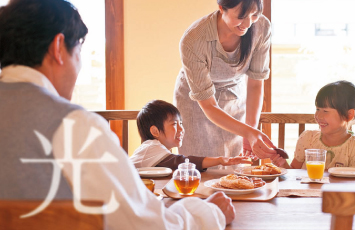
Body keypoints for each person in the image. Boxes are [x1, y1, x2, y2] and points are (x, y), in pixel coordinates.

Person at [0, 0, 234, 229]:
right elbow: (146, 225)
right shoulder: (75, 128)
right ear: (58, 48)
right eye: (79, 52)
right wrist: (211, 212)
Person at [174, 0, 281, 161]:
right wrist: (249, 132)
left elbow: (255, 84)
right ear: (221, 8)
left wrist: (249, 129)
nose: (248, 23)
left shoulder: (261, 27)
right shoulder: (194, 39)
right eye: (242, 16)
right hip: (196, 103)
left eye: (254, 15)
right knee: (199, 164)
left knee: (234, 166)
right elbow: (209, 106)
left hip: (234, 98)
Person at [130, 100, 252, 170]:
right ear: (155, 131)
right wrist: (220, 160)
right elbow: (180, 162)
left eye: (181, 123)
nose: (181, 129)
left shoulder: (156, 150)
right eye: (174, 124)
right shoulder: (151, 148)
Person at [275, 80, 355, 169]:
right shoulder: (308, 138)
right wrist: (282, 164)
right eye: (317, 109)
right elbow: (294, 174)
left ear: (348, 115)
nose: (318, 115)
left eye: (325, 111)